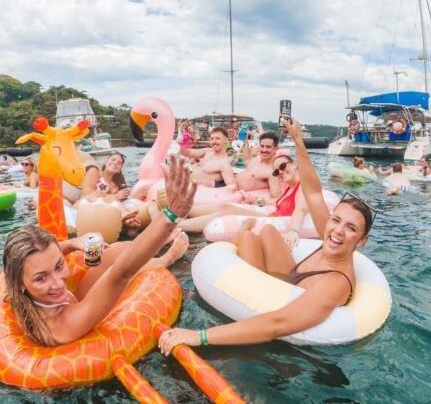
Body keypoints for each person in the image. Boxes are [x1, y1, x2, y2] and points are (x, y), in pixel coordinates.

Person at [159, 117, 375, 354]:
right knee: (266, 232)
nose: (338, 231)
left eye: (351, 228)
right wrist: (298, 139)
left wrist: (198, 336)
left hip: (279, 337)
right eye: (336, 220)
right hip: (284, 282)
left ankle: (242, 233)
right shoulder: (330, 236)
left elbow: (279, 323)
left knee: (248, 238)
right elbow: (312, 191)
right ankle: (241, 233)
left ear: (361, 241)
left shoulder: (336, 283)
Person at [2, 155, 196, 346]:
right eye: (41, 278)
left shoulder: (22, 280)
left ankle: (158, 243)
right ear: (20, 283)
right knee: (124, 270)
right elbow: (121, 273)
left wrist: (72, 243)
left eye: (59, 265)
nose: (58, 282)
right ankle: (168, 257)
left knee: (115, 250)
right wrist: (169, 217)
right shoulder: (62, 326)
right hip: (81, 318)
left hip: (73, 301)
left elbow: (44, 258)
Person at [177, 152, 308, 249]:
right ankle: (180, 210)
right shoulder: (289, 189)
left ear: (295, 164)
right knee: (225, 207)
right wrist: (256, 200)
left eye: (283, 166)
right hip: (271, 216)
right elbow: (277, 202)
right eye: (276, 171)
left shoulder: (303, 187)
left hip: (274, 222)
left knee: (225, 214)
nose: (280, 172)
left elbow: (300, 209)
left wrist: (293, 231)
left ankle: (175, 225)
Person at [235, 131, 282, 198]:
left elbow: (277, 198)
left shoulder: (272, 171)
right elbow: (247, 161)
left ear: (276, 148)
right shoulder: (258, 158)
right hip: (229, 187)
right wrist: (245, 141)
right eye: (262, 146)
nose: (264, 150)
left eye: (268, 147)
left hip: (238, 194)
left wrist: (255, 200)